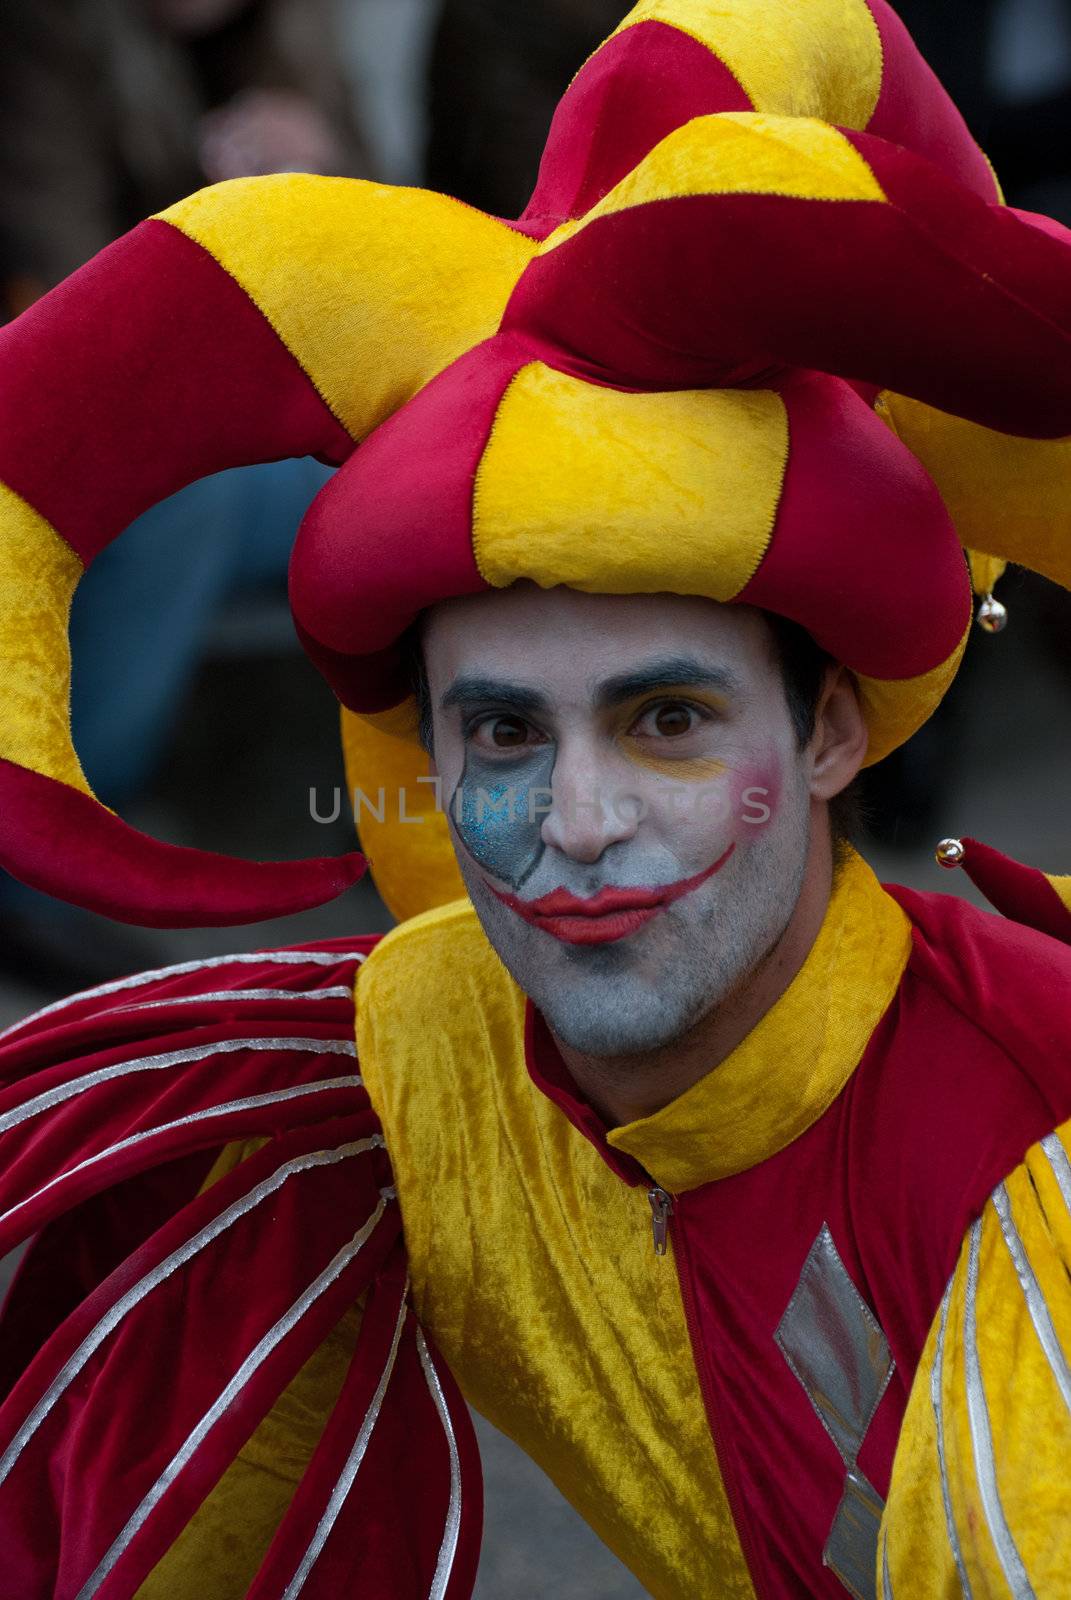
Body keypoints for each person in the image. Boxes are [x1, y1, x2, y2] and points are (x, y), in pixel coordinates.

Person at [0, 1, 1069, 1595]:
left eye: (667, 720)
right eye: (502, 736)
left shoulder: (1033, 1154)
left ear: (835, 733)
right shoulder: (417, 1056)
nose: (577, 821)